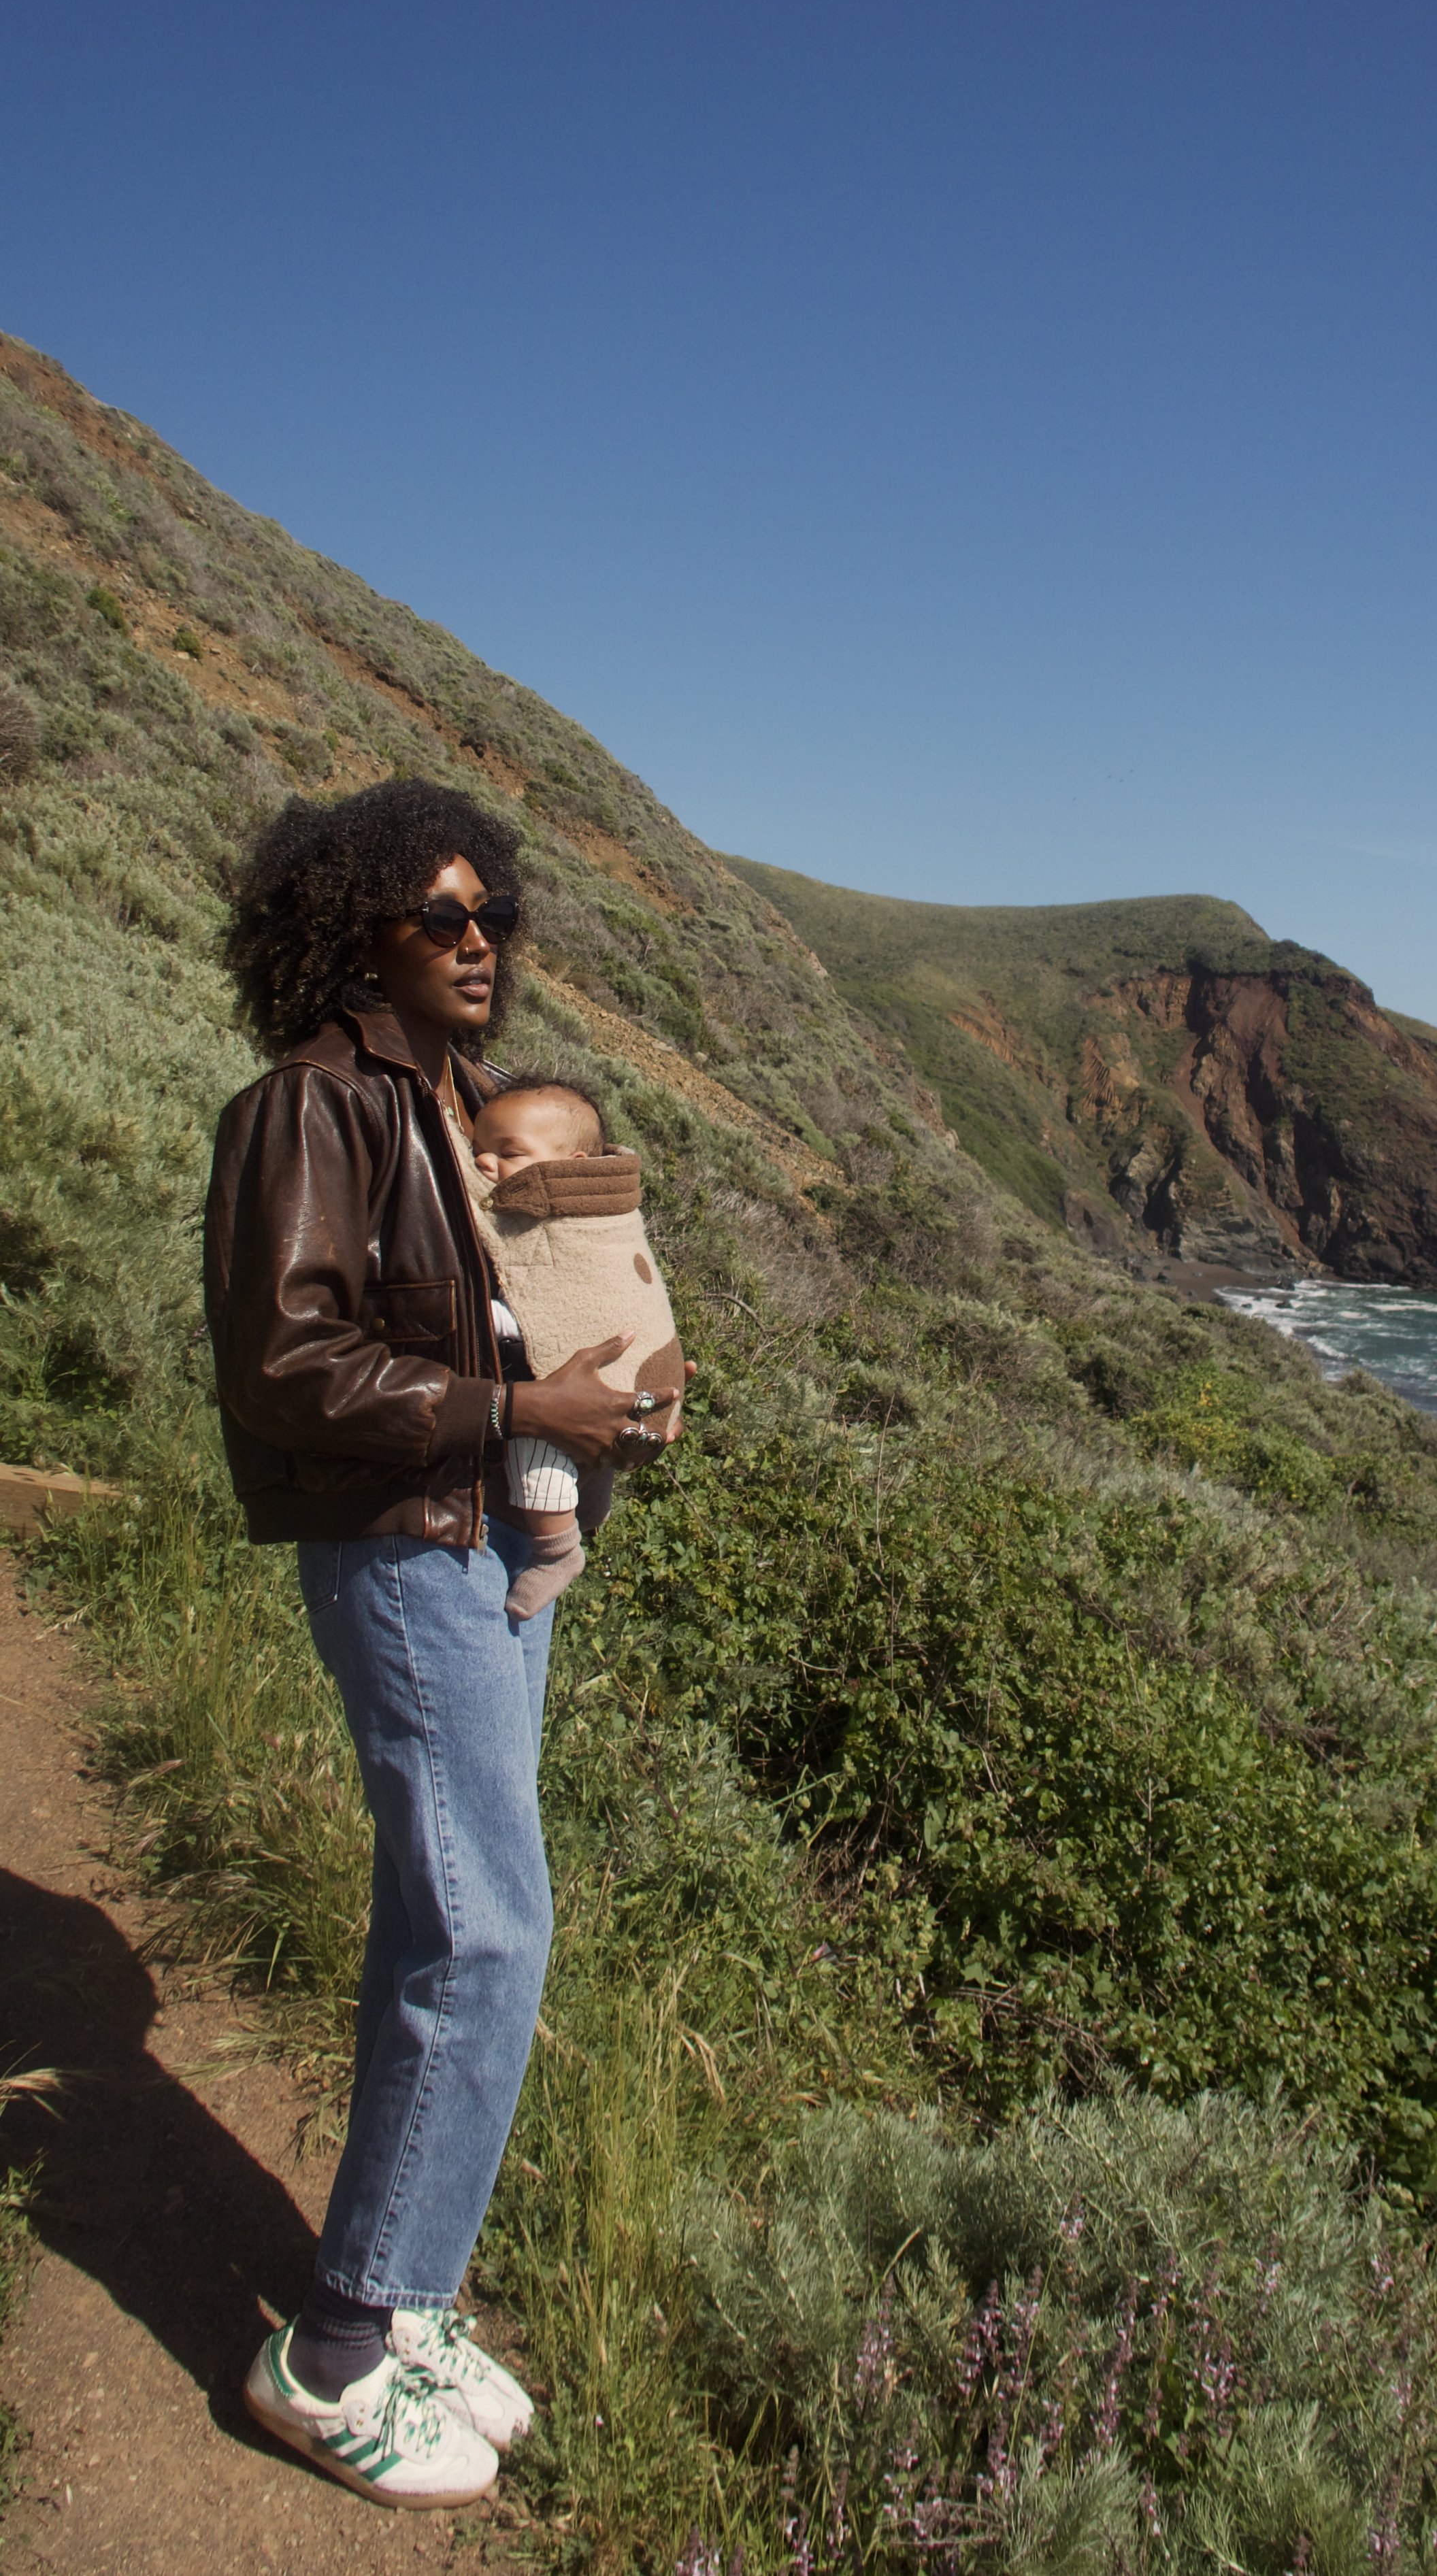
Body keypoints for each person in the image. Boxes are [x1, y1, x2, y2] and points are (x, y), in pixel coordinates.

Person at [203, 777, 683, 2509]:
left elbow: (536, 1292)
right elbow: (284, 1362)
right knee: (489, 1931)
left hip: (487, 1543)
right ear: (358, 934)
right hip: (407, 1546)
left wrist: (618, 1389)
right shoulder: (310, 1110)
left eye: (495, 917)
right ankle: (329, 2353)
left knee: (440, 1914)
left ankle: (404, 2301)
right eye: (444, 919)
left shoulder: (463, 1106)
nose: (483, 945)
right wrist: (512, 1408)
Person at [460, 1077, 684, 1620]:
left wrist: (478, 1318)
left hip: (618, 1384)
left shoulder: (569, 1221)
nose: (487, 1164)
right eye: (478, 1152)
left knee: (537, 1427)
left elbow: (543, 1306)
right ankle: (587, 1512)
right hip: (644, 1387)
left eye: (508, 1153)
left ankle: (558, 1550)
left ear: (573, 1162)